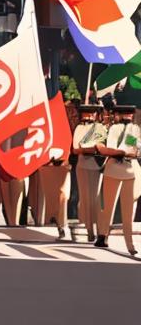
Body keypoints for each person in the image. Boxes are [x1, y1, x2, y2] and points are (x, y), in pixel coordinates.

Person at [94, 105, 139, 254]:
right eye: (123, 114)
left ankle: (130, 243)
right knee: (108, 206)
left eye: (129, 115)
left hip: (128, 170)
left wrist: (132, 151)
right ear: (117, 115)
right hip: (112, 168)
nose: (127, 117)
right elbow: (101, 146)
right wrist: (112, 151)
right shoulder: (110, 129)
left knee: (127, 209)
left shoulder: (134, 130)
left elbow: (135, 147)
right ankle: (102, 235)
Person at [72, 104, 106, 242]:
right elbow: (75, 148)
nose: (88, 116)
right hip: (82, 165)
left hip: (97, 166)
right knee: (85, 199)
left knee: (96, 200)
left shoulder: (101, 128)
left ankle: (100, 230)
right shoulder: (79, 128)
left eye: (91, 113)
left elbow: (102, 145)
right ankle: (89, 230)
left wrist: (89, 148)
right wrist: (90, 148)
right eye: (86, 113)